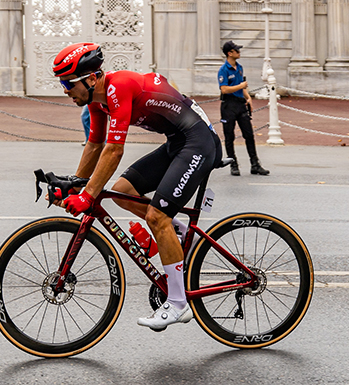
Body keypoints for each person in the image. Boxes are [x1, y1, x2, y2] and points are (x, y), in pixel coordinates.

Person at [53, 42, 222, 331]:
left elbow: (114, 151)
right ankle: (177, 232)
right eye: (62, 83)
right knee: (122, 191)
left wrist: (88, 195)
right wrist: (75, 185)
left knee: (157, 217)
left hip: (198, 143)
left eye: (69, 83)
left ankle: (179, 304)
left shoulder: (118, 88)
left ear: (91, 78)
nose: (65, 90)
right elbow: (95, 144)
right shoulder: (96, 100)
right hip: (177, 142)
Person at [217, 40, 270, 176]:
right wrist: (241, 87)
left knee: (249, 134)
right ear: (230, 53)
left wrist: (248, 97)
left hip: (240, 104)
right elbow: (224, 89)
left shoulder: (239, 67)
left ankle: (255, 164)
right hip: (229, 105)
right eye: (237, 50)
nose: (239, 52)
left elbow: (242, 85)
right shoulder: (223, 70)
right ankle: (233, 164)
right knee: (229, 136)